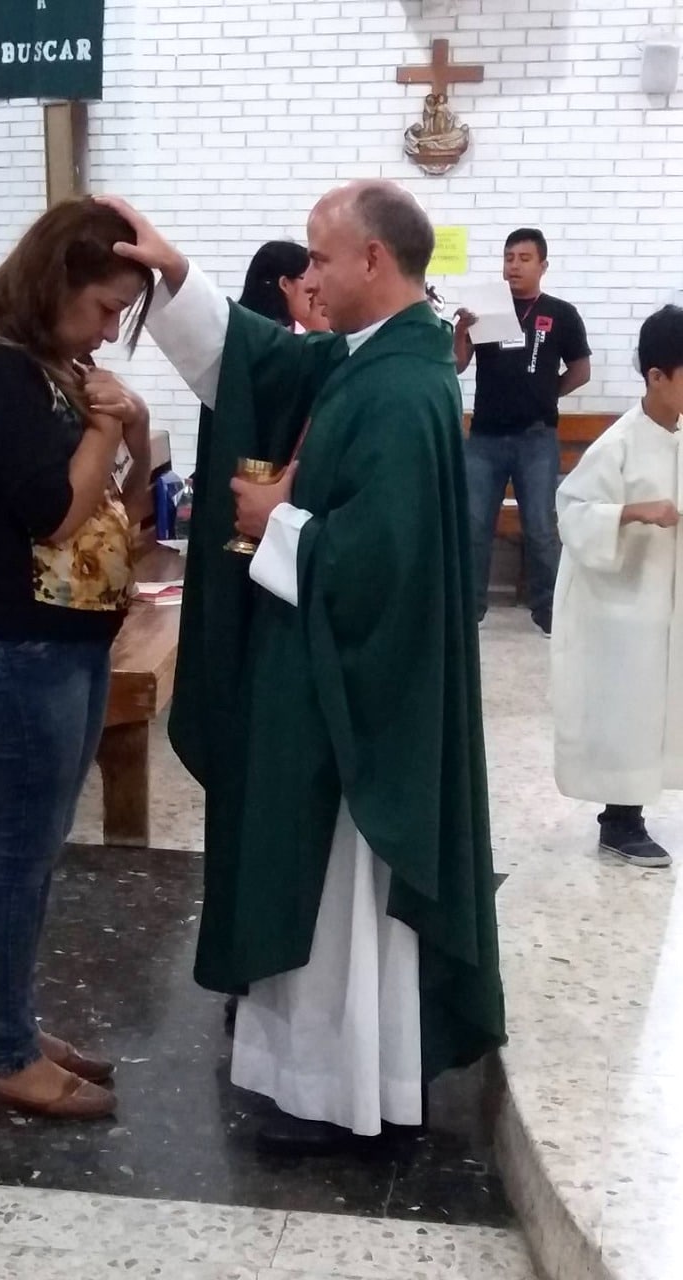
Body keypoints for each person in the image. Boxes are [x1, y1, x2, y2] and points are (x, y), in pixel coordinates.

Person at [103, 183, 505, 1156]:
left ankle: (343, 1092)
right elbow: (263, 361)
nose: (309, 280)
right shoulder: (370, 361)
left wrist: (270, 523)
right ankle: (319, 1078)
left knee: (340, 896)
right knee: (313, 887)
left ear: (373, 259)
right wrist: (175, 275)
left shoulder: (405, 388)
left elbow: (379, 563)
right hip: (318, 679)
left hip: (354, 701)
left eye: (322, 260)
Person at [0, 198, 155, 1119]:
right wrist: (105, 429)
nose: (110, 329)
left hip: (67, 638)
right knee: (16, 858)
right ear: (56, 279)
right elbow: (55, 514)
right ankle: (5, 1052)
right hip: (15, 645)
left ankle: (18, 1023)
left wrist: (134, 426)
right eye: (104, 307)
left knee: (40, 851)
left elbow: (128, 500)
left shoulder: (55, 366)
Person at [552, 305, 683, 869]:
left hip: (666, 603)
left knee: (662, 706)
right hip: (624, 607)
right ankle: (620, 821)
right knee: (629, 707)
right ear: (657, 376)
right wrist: (632, 512)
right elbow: (573, 509)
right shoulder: (620, 443)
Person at [454, 228, 592, 635]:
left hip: (536, 437)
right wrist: (461, 331)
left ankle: (550, 615)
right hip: (484, 437)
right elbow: (458, 365)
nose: (514, 266)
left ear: (543, 266)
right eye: (508, 257)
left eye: (524, 258)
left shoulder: (561, 313)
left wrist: (547, 395)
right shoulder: (487, 309)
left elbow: (581, 371)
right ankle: (470, 612)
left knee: (542, 528)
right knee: (475, 526)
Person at [238, 241, 329, 333]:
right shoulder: (274, 339)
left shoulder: (244, 326)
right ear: (285, 284)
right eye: (308, 277)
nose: (313, 286)